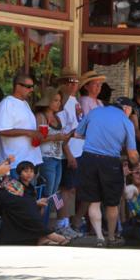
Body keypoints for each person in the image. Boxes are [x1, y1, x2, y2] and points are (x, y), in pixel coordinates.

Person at [75, 96, 140, 247]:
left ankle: (99, 237)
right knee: (112, 203)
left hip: (88, 159)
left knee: (94, 200)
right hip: (110, 161)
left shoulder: (95, 112)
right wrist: (136, 163)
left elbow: (78, 134)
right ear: (126, 109)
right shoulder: (126, 122)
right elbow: (132, 153)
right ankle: (111, 237)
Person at [0, 160, 69, 245]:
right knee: (29, 209)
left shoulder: (31, 188)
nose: (29, 174)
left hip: (25, 215)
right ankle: (48, 234)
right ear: (19, 173)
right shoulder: (14, 184)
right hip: (15, 213)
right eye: (26, 171)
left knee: (36, 209)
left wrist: (38, 205)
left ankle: (41, 238)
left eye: (31, 171)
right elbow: (20, 203)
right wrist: (35, 203)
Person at [56, 67, 85, 238]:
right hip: (68, 151)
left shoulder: (75, 100)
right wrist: (68, 153)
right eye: (69, 81)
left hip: (78, 149)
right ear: (62, 83)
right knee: (64, 190)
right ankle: (61, 222)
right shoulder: (63, 101)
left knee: (72, 189)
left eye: (75, 81)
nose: (73, 84)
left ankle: (67, 222)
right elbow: (62, 131)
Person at [0, 73, 43, 177]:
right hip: (16, 164)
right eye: (28, 87)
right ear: (18, 86)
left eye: (32, 87)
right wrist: (28, 132)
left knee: (31, 193)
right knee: (18, 193)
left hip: (31, 160)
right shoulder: (7, 104)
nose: (31, 90)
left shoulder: (25, 103)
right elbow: (2, 130)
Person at [35, 87, 69, 201]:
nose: (58, 103)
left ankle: (48, 215)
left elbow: (61, 139)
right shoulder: (41, 116)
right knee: (47, 191)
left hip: (58, 157)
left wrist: (68, 136)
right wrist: (55, 137)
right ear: (47, 101)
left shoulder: (57, 118)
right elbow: (37, 139)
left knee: (54, 191)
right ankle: (42, 217)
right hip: (46, 157)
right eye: (55, 100)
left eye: (60, 101)